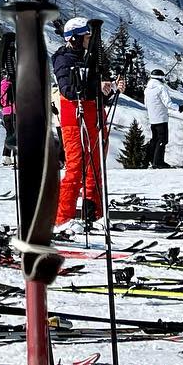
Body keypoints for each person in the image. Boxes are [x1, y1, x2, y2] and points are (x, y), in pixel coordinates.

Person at [51, 18, 123, 226]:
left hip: (94, 116)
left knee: (95, 168)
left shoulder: (89, 57)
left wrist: (110, 89)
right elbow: (69, 91)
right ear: (75, 38)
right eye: (86, 36)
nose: (89, 40)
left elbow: (95, 93)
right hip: (74, 119)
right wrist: (96, 88)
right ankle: (63, 218)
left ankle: (95, 213)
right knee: (75, 168)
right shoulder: (63, 58)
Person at [144, 69, 176, 168]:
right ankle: (158, 162)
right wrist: (179, 108)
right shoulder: (161, 88)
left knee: (155, 139)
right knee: (162, 140)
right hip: (161, 118)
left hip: (152, 118)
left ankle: (151, 159)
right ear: (161, 78)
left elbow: (146, 104)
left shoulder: (147, 89)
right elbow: (168, 103)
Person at [0, 73, 15, 164]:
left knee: (9, 134)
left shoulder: (2, 85)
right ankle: (15, 156)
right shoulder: (13, 85)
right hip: (14, 111)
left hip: (5, 112)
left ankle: (6, 156)